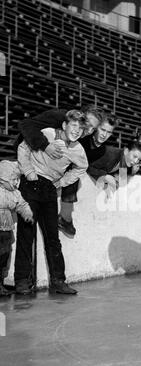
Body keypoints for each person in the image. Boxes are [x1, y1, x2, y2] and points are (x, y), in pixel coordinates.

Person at [15, 109, 88, 295]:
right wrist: (29, 173)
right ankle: (22, 281)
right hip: (30, 183)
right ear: (64, 125)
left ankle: (58, 281)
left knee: (52, 238)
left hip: (49, 188)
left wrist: (61, 182)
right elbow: (23, 148)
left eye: (80, 128)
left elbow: (81, 168)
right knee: (26, 233)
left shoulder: (78, 150)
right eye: (73, 126)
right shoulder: (47, 133)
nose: (76, 131)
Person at [16, 106, 119, 235]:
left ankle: (64, 218)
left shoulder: (83, 136)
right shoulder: (60, 117)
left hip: (46, 172)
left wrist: (104, 175)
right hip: (25, 154)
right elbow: (26, 125)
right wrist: (45, 146)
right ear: (81, 116)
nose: (88, 130)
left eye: (93, 129)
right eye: (88, 124)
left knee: (73, 174)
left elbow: (85, 166)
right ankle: (65, 217)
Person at [0, 161, 34, 296]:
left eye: (17, 179)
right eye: (13, 179)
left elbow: (22, 205)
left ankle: (0, 283)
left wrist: (28, 214)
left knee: (4, 256)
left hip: (6, 232)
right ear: (3, 178)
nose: (16, 183)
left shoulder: (15, 193)